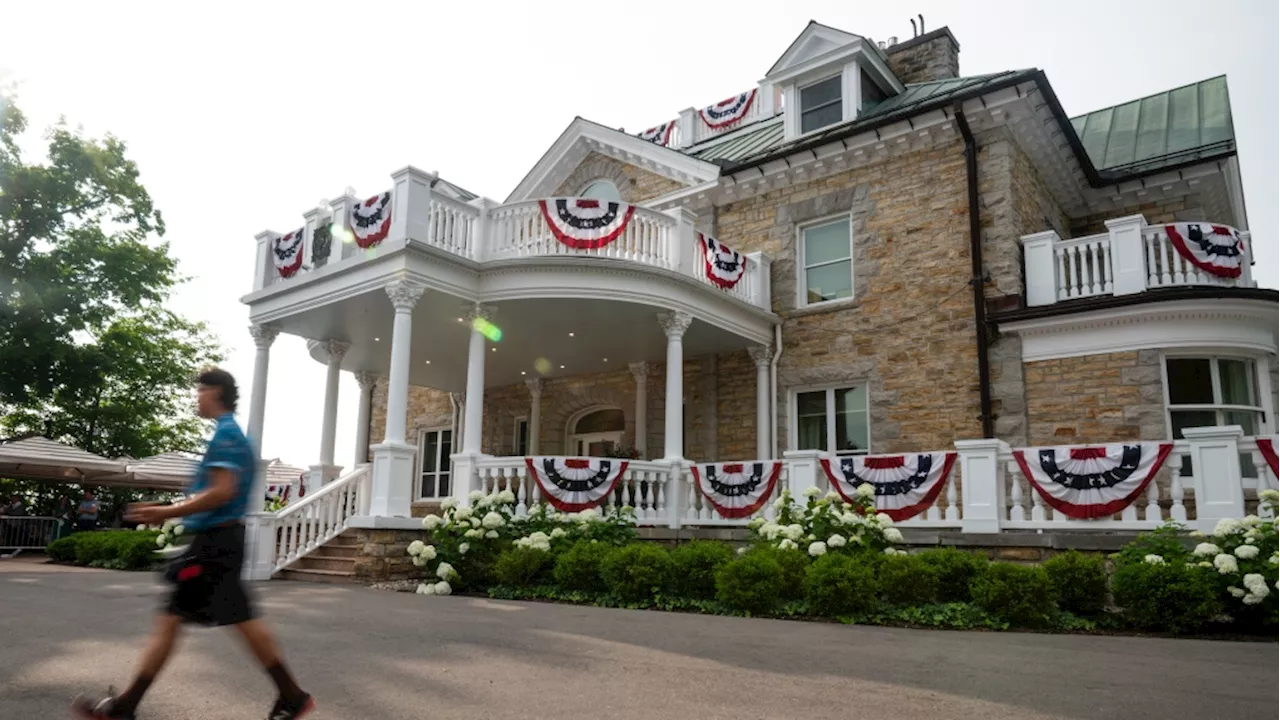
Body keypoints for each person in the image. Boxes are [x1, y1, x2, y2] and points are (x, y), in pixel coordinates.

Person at [72, 368, 314, 720]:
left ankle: (292, 696)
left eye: (200, 390)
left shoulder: (227, 436)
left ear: (215, 392)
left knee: (224, 619)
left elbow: (221, 491)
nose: (195, 397)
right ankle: (126, 706)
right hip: (216, 541)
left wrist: (166, 511)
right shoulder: (227, 434)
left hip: (215, 543)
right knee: (183, 620)